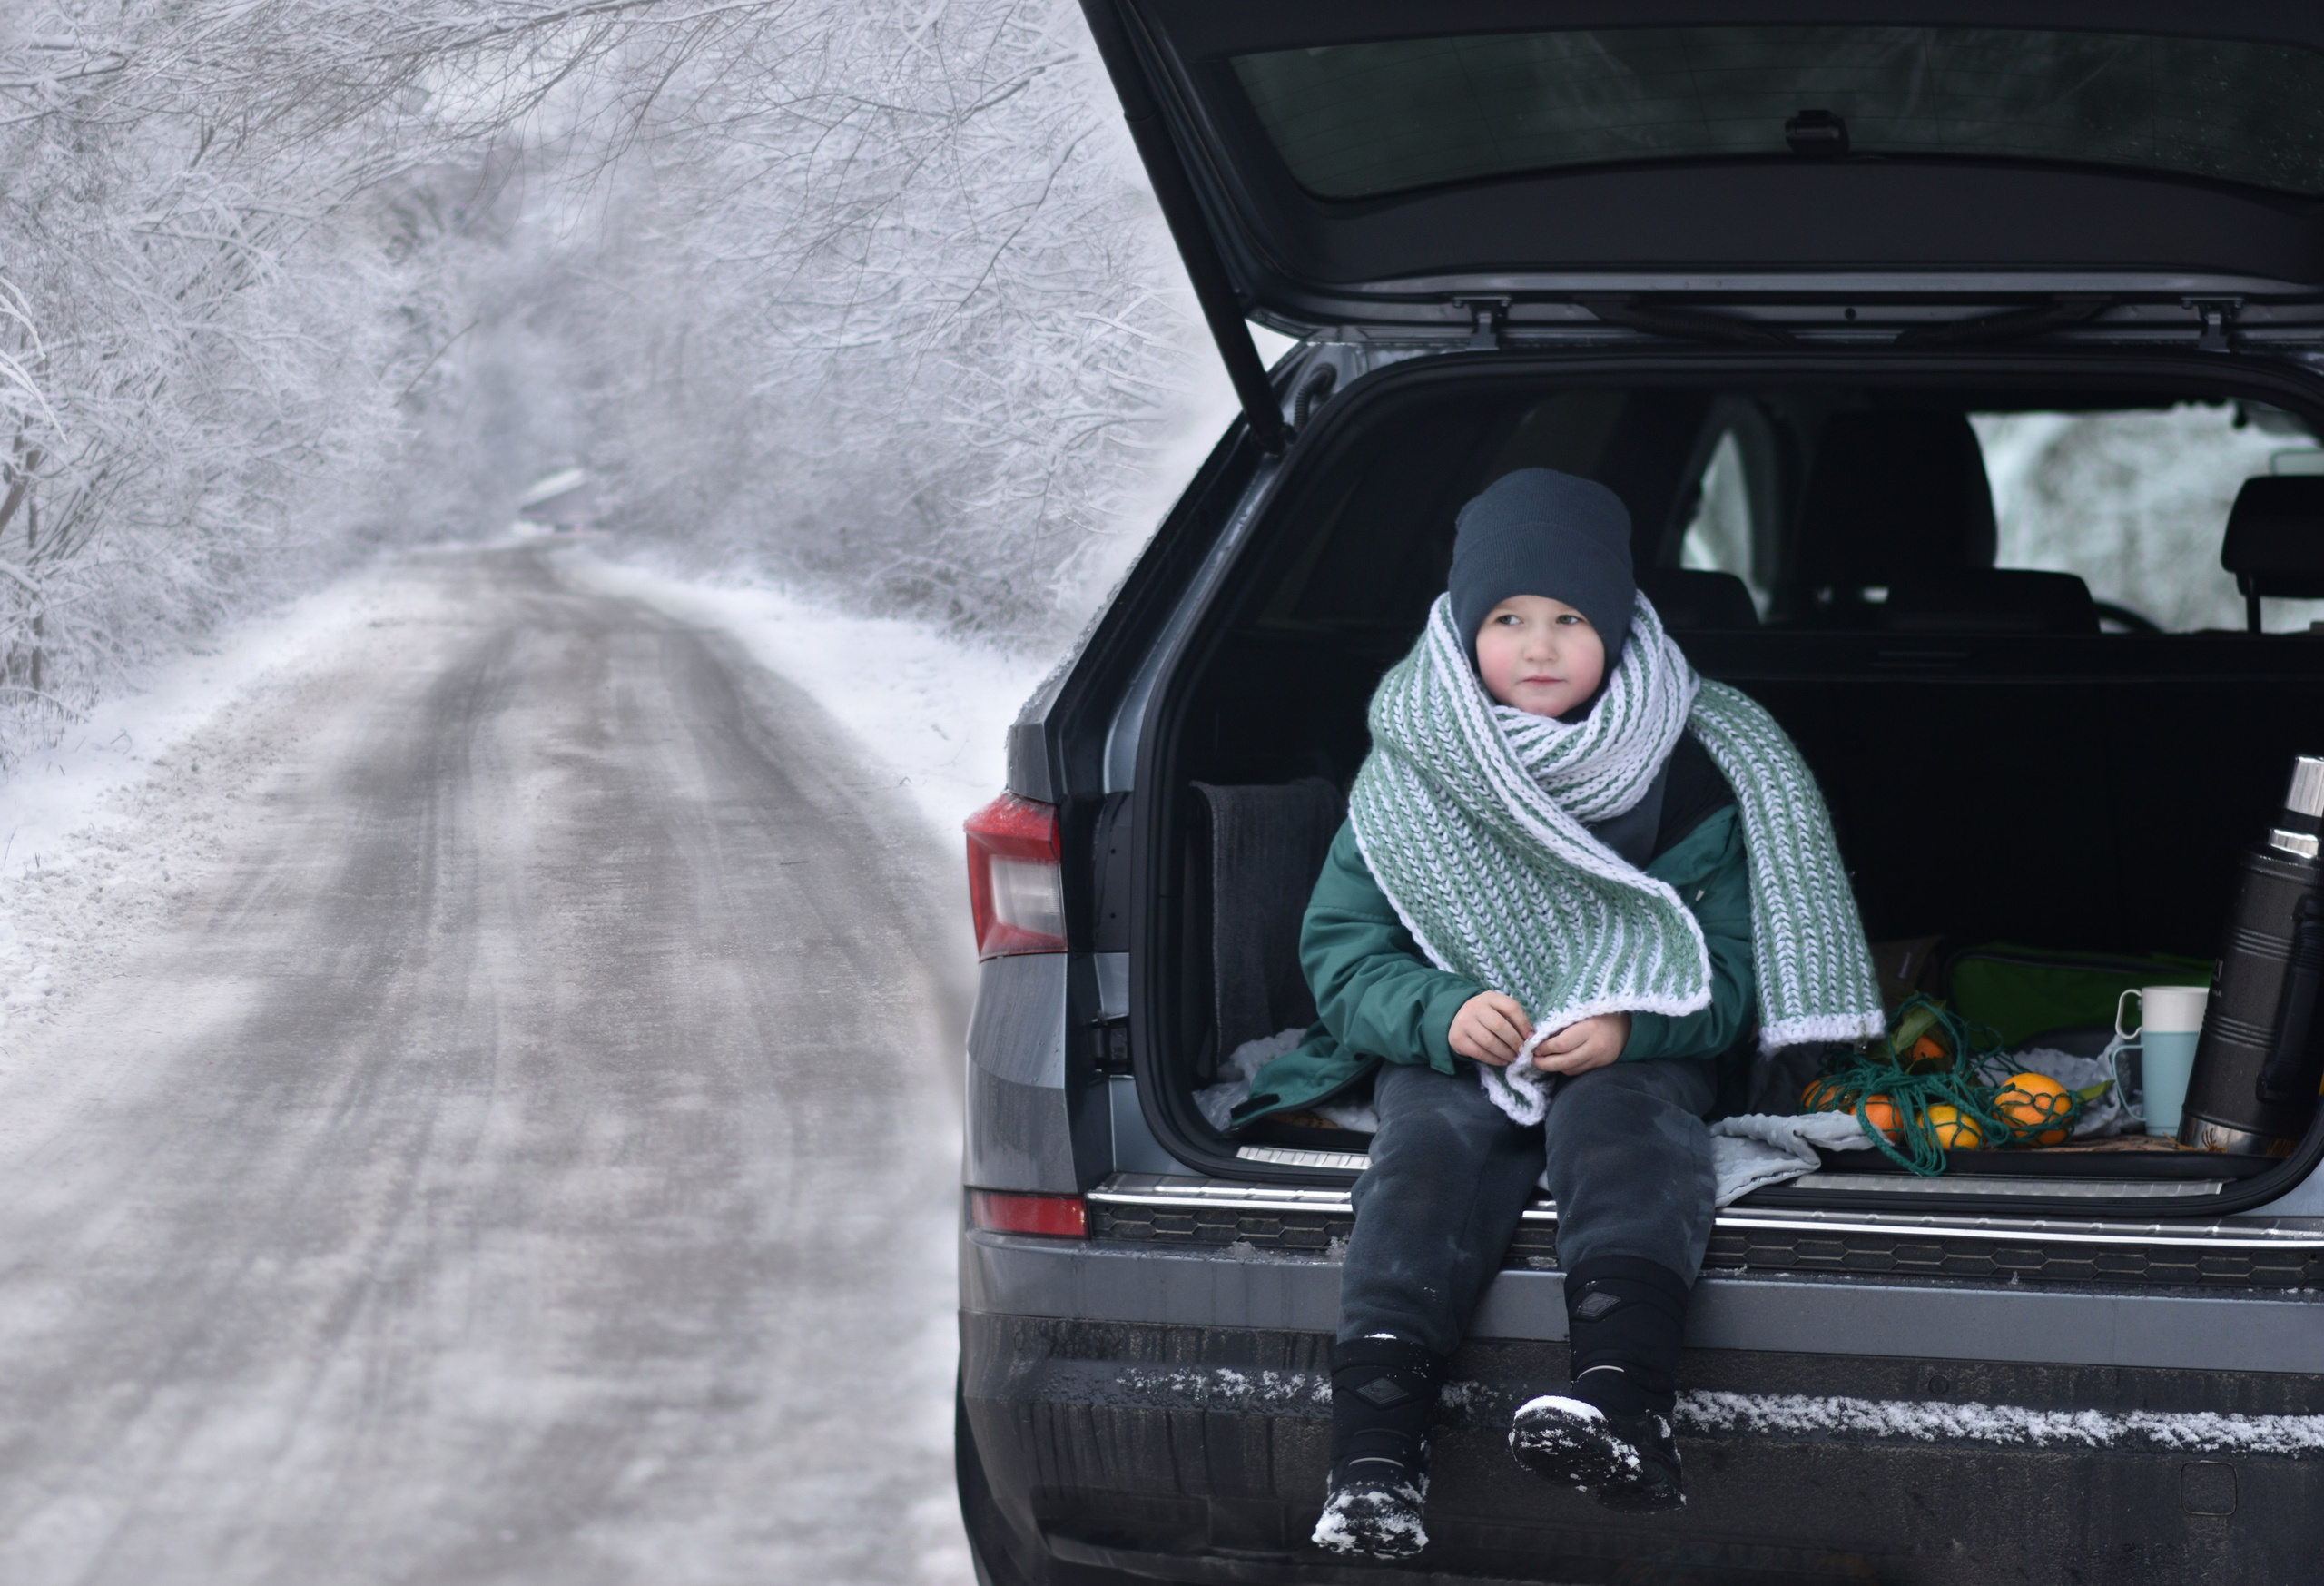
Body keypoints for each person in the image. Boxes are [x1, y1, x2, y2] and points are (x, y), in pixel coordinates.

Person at [1228, 468, 1884, 1559]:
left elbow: (1732, 973)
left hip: (1633, 1042)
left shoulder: (1696, 772)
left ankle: (1624, 1407)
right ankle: (1375, 1456)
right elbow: (1343, 957)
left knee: (1625, 1127)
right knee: (1426, 1148)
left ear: (1619, 625)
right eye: (1507, 618)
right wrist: (1438, 1011)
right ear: (1460, 625)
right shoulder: (1409, 777)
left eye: (1570, 618)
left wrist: (1638, 1028)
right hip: (1456, 1041)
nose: (1537, 645)